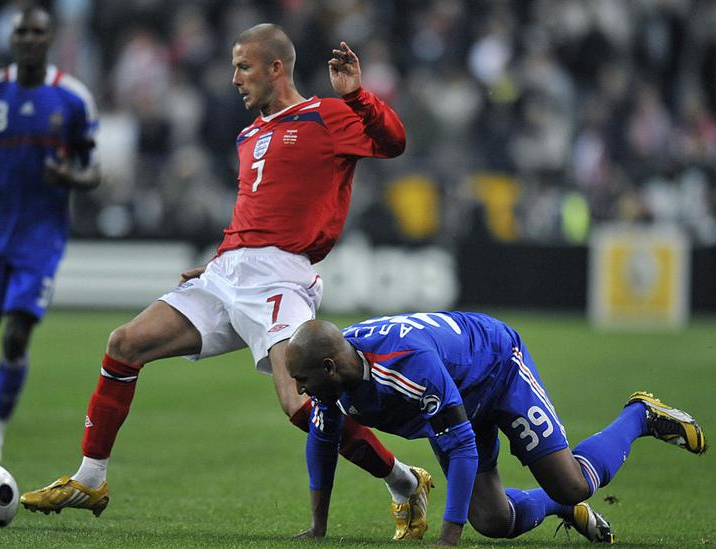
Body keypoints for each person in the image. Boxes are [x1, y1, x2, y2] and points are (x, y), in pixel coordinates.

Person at [21, 24, 434, 539]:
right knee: (125, 343)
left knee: (298, 402)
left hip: (281, 278)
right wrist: (224, 255)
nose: (234, 78)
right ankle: (91, 478)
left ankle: (402, 480)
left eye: (243, 66)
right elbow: (256, 209)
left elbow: (393, 142)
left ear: (275, 68)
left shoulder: (324, 116)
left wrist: (355, 95)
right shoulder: (248, 135)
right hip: (227, 274)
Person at [285, 313, 707, 546]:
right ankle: (556, 507)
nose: (299, 389)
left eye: (302, 379)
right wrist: (318, 527)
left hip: (497, 369)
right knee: (492, 521)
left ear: (328, 367)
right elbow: (324, 442)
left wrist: (449, 539)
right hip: (453, 398)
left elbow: (464, 445)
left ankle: (640, 415)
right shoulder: (334, 377)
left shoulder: (407, 367)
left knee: (574, 486)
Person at [0, 5, 100, 463]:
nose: (30, 39)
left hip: (41, 236)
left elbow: (93, 168)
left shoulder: (72, 98)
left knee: (15, 335)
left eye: (38, 32)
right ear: (12, 39)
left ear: (49, 38)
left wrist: (71, 179)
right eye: (22, 32)